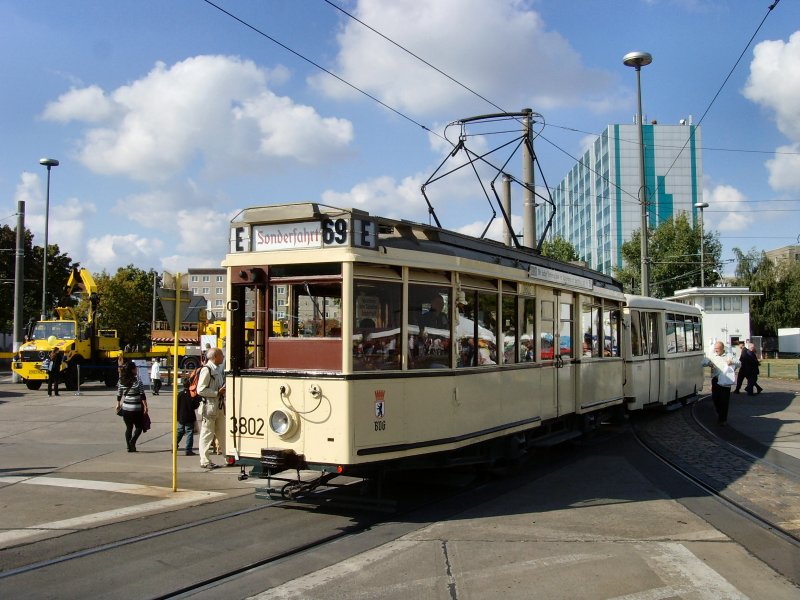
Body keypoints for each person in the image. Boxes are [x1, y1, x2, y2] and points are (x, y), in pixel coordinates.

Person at [197, 347, 226, 469]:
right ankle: (205, 460)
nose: (223, 357)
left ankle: (228, 457)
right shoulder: (207, 370)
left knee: (222, 432)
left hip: (218, 406)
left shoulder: (217, 369)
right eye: (221, 355)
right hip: (209, 406)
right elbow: (200, 390)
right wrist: (217, 392)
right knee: (207, 434)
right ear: (215, 357)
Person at [703, 341, 740, 425]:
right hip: (716, 380)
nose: (716, 350)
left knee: (724, 400)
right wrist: (708, 363)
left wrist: (732, 362)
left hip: (726, 381)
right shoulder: (712, 355)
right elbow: (703, 362)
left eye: (717, 349)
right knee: (715, 398)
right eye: (715, 348)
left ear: (722, 348)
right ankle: (720, 412)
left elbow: (739, 363)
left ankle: (722, 420)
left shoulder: (729, 355)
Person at [116, 360, 148, 452]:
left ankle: (129, 447)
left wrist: (118, 403)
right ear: (132, 370)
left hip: (125, 408)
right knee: (139, 426)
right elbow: (142, 395)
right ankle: (132, 442)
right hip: (136, 408)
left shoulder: (121, 381)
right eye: (135, 368)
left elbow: (119, 393)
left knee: (128, 428)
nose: (136, 370)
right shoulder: (138, 381)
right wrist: (146, 406)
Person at [176, 377, 200, 455]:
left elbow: (177, 406)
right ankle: (188, 450)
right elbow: (195, 405)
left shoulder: (180, 394)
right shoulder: (192, 394)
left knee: (180, 431)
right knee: (189, 432)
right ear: (190, 385)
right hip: (189, 416)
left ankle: (174, 445)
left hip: (181, 416)